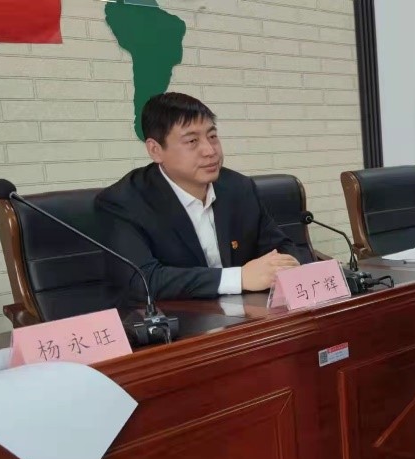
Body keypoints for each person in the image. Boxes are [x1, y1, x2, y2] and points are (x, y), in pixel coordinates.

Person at [96, 92, 311, 303]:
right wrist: (239, 278)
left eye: (212, 136)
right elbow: (143, 280)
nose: (210, 151)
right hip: (178, 318)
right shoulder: (122, 202)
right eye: (192, 141)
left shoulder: (239, 188)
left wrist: (288, 266)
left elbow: (280, 247)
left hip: (246, 313)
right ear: (156, 150)